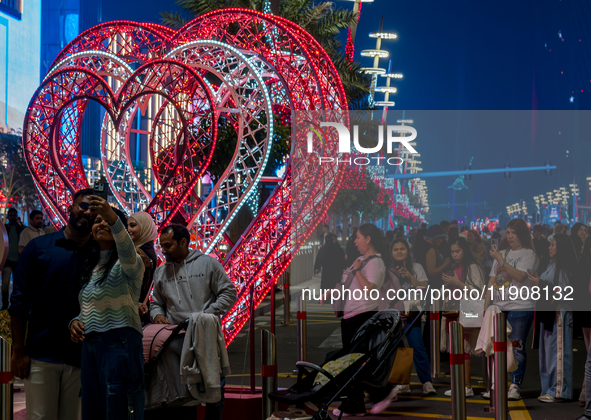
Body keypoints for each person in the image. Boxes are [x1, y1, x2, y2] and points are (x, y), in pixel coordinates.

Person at [9, 188, 96, 420]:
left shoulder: (100, 255)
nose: (87, 213)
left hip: (82, 357)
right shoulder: (38, 248)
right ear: (71, 208)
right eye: (83, 206)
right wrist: (18, 350)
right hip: (41, 354)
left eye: (95, 209)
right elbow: (19, 301)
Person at [147, 224, 237, 420]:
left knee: (214, 390)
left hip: (206, 337)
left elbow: (229, 293)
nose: (163, 250)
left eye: (168, 245)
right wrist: (157, 316)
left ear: (183, 242)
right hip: (175, 342)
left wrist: (205, 316)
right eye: (161, 246)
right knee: (183, 395)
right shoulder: (161, 272)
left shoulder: (208, 264)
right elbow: (156, 303)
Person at [69, 198, 145, 419]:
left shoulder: (130, 263)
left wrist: (113, 219)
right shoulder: (89, 266)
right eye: (98, 221)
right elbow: (89, 305)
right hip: (90, 345)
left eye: (108, 222)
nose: (101, 224)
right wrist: (75, 321)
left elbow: (127, 251)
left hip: (119, 340)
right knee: (93, 410)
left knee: (120, 407)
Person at [333, 223, 397, 417]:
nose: (355, 241)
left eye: (358, 237)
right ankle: (357, 405)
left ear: (368, 239)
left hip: (362, 316)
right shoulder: (361, 259)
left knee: (354, 363)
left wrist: (358, 271)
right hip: (350, 315)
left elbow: (370, 288)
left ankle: (382, 392)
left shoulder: (376, 262)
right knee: (351, 362)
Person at [484, 218, 537, 401]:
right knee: (497, 347)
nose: (510, 236)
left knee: (516, 346)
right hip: (500, 306)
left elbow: (520, 276)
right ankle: (497, 383)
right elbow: (492, 279)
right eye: (508, 232)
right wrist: (486, 305)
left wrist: (501, 261)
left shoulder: (529, 253)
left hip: (520, 306)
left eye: (514, 233)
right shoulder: (503, 252)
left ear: (522, 234)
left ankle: (515, 385)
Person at [528, 234, 576, 403]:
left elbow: (564, 293)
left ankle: (559, 390)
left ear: (560, 248)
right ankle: (549, 387)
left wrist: (539, 284)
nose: (549, 247)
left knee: (557, 353)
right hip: (549, 314)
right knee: (548, 353)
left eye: (553, 245)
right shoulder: (551, 265)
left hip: (559, 314)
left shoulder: (563, 268)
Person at [390, 238, 437, 396]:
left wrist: (410, 276)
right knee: (397, 349)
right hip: (394, 313)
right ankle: (402, 382)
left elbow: (424, 287)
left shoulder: (417, 267)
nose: (399, 252)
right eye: (395, 249)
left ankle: (426, 382)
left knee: (417, 346)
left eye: (402, 248)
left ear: (408, 251)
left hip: (412, 313)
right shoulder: (388, 269)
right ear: (391, 252)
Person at [441, 237, 486, 397]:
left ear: (465, 251)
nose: (454, 254)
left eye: (457, 251)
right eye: (452, 251)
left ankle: (466, 386)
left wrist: (457, 282)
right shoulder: (455, 266)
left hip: (465, 310)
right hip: (453, 310)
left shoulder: (473, 267)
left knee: (463, 348)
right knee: (455, 349)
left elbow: (478, 292)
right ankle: (459, 384)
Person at [127, 211, 159, 321]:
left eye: (133, 225)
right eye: (127, 226)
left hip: (132, 313)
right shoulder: (148, 251)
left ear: (145, 227)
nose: (128, 230)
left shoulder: (140, 253)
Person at [575, 236, 591, 407]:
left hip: (583, 315)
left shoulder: (582, 262)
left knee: (590, 356)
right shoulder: (586, 263)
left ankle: (585, 394)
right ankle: (586, 395)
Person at [2, 208, 22, 310]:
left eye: (14, 215)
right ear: (8, 217)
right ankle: (5, 305)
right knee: (5, 285)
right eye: (11, 215)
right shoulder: (4, 229)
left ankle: (15, 305)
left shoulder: (22, 229)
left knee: (17, 285)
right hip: (7, 261)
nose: (13, 217)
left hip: (18, 261)